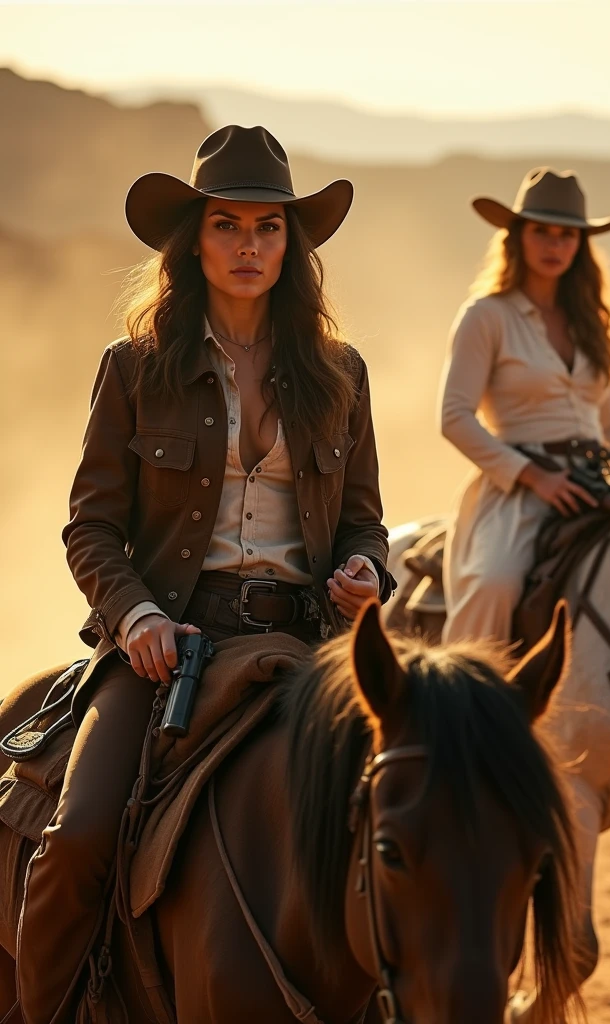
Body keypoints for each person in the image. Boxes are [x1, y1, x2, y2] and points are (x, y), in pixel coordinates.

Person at [16, 125, 394, 1023]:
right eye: (227, 225)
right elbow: (92, 527)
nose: (249, 246)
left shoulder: (340, 373)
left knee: (412, 821)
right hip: (166, 648)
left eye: (269, 228)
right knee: (75, 842)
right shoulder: (136, 368)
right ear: (194, 240)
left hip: (305, 641)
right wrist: (137, 617)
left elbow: (365, 518)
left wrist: (364, 571)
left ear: (292, 245)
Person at [439, 167, 610, 643]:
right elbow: (454, 417)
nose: (555, 245)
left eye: (567, 235)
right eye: (542, 232)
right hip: (520, 491)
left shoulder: (591, 321)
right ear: (517, 237)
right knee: (495, 585)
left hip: (598, 482)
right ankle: (462, 690)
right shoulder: (487, 316)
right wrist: (536, 478)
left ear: (580, 244)